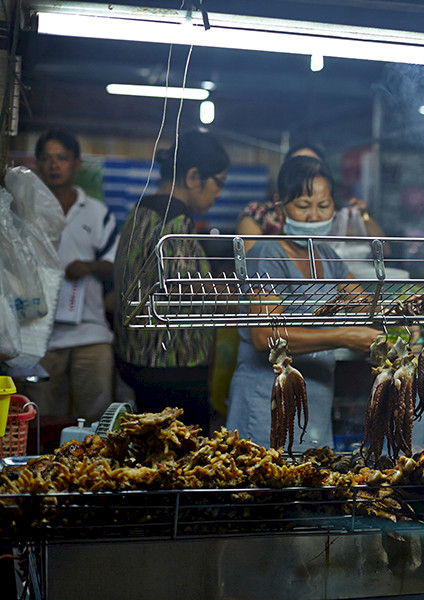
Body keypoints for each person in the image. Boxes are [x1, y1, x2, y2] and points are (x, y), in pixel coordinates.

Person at [226, 156, 381, 452]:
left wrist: (397, 321)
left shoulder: (327, 257)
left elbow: (364, 304)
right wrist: (345, 335)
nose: (313, 216)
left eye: (323, 206)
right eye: (303, 205)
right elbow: (265, 337)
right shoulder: (267, 254)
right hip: (266, 409)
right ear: (280, 205)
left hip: (314, 411)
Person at [113, 130, 231, 434]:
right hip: (173, 369)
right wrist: (236, 290)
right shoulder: (174, 218)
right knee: (183, 463)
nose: (219, 192)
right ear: (193, 177)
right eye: (218, 182)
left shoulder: (142, 210)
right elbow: (183, 289)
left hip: (138, 361)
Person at [20, 129, 119, 423]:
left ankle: (96, 471)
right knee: (38, 417)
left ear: (76, 164)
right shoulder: (25, 210)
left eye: (62, 158)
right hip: (40, 337)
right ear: (37, 163)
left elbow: (114, 264)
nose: (54, 165)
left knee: (96, 418)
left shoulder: (96, 212)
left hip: (91, 333)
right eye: (47, 158)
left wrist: (89, 267)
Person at [236, 141, 385, 246]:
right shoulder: (258, 215)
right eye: (303, 206)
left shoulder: (332, 219)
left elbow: (383, 250)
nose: (314, 217)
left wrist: (363, 217)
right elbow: (252, 270)